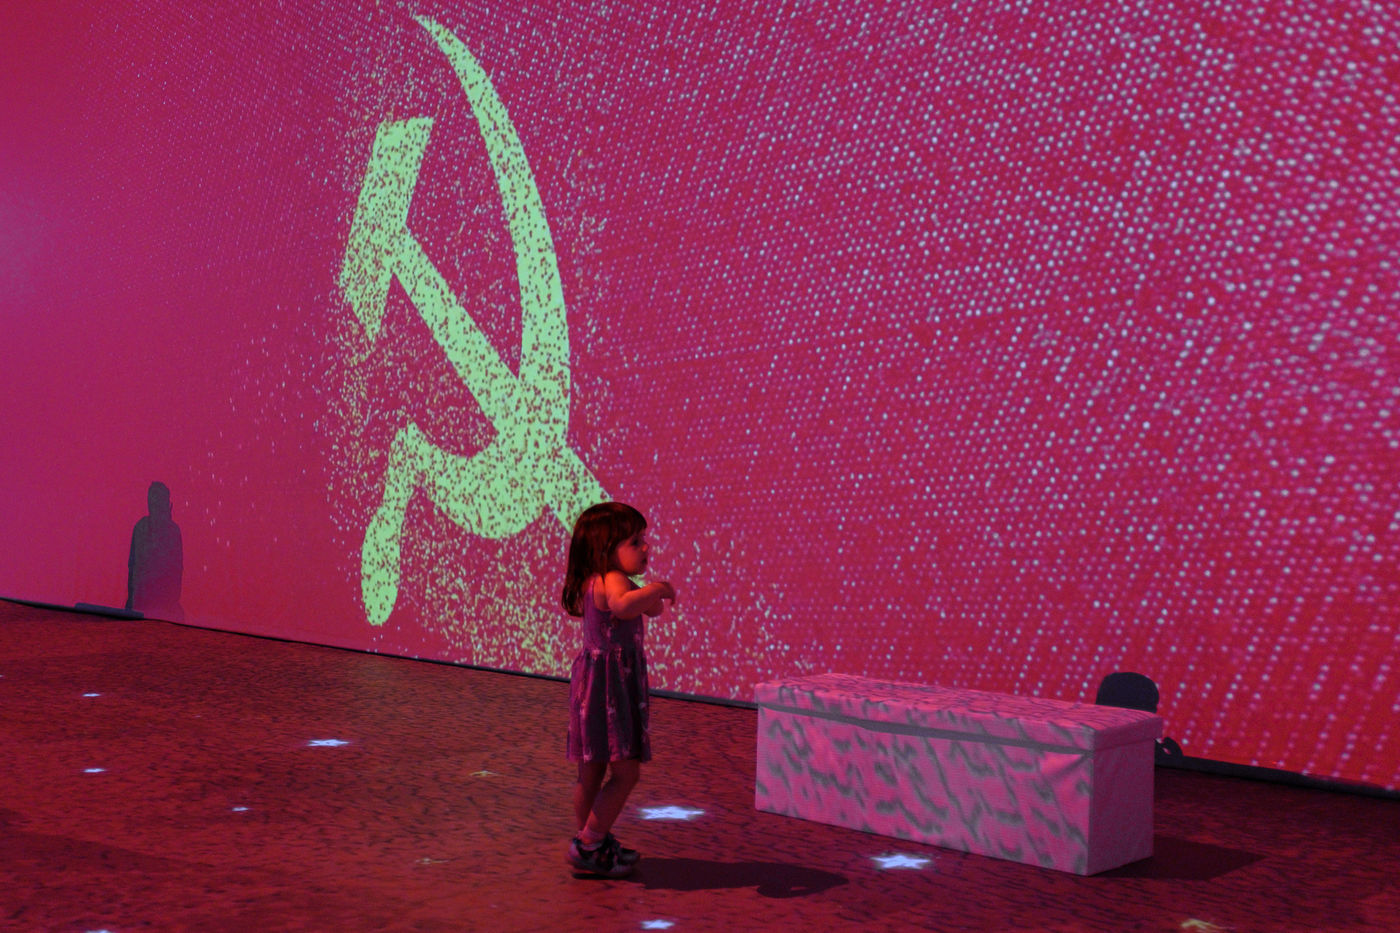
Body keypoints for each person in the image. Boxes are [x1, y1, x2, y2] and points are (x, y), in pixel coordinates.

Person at [561, 502, 677, 878]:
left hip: (592, 685)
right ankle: (589, 843)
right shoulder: (613, 579)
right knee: (626, 773)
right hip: (610, 688)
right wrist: (658, 587)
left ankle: (592, 840)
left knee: (591, 772)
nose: (645, 547)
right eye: (635, 541)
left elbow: (651, 610)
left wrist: (649, 595)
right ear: (607, 548)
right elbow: (623, 606)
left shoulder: (596, 578)